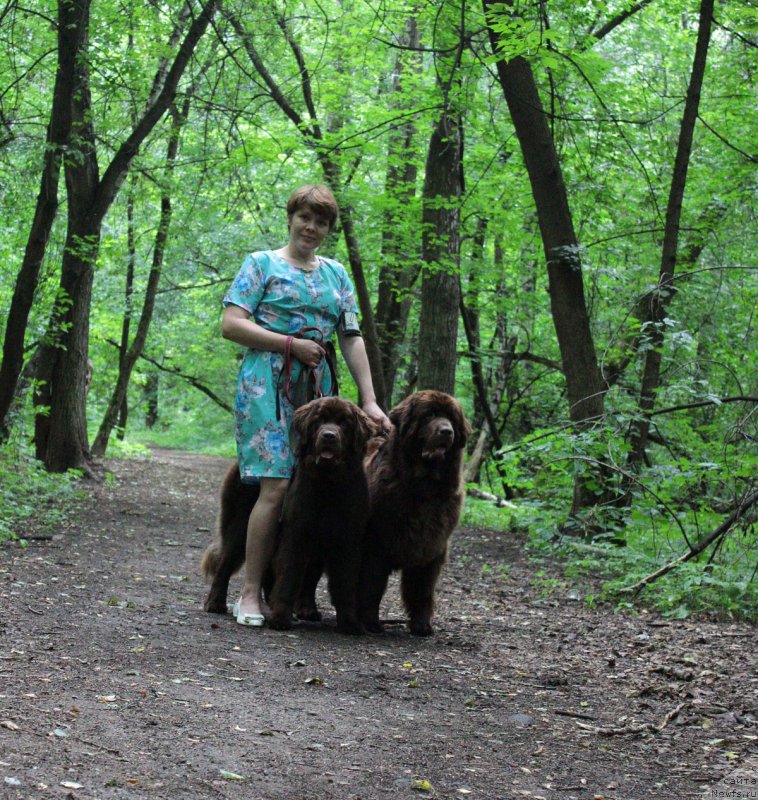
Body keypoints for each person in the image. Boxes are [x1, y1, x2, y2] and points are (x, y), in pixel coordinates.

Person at [221, 184, 390, 627]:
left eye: (321, 222)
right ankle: (250, 594)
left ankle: (295, 593)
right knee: (275, 485)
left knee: (314, 489)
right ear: (291, 218)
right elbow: (231, 324)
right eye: (305, 218)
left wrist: (369, 401)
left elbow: (351, 337)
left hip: (318, 388)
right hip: (266, 385)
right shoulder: (261, 265)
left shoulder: (336, 275)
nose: (311, 228)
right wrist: (290, 344)